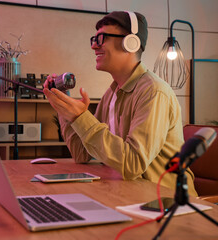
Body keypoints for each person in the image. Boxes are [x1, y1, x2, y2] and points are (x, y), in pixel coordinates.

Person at [43, 11, 197, 196]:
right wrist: (65, 109)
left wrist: (81, 117)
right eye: (94, 38)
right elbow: (81, 154)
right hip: (130, 192)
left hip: (166, 201)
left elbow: (133, 165)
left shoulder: (153, 92)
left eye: (101, 38)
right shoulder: (112, 94)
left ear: (130, 43)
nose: (94, 46)